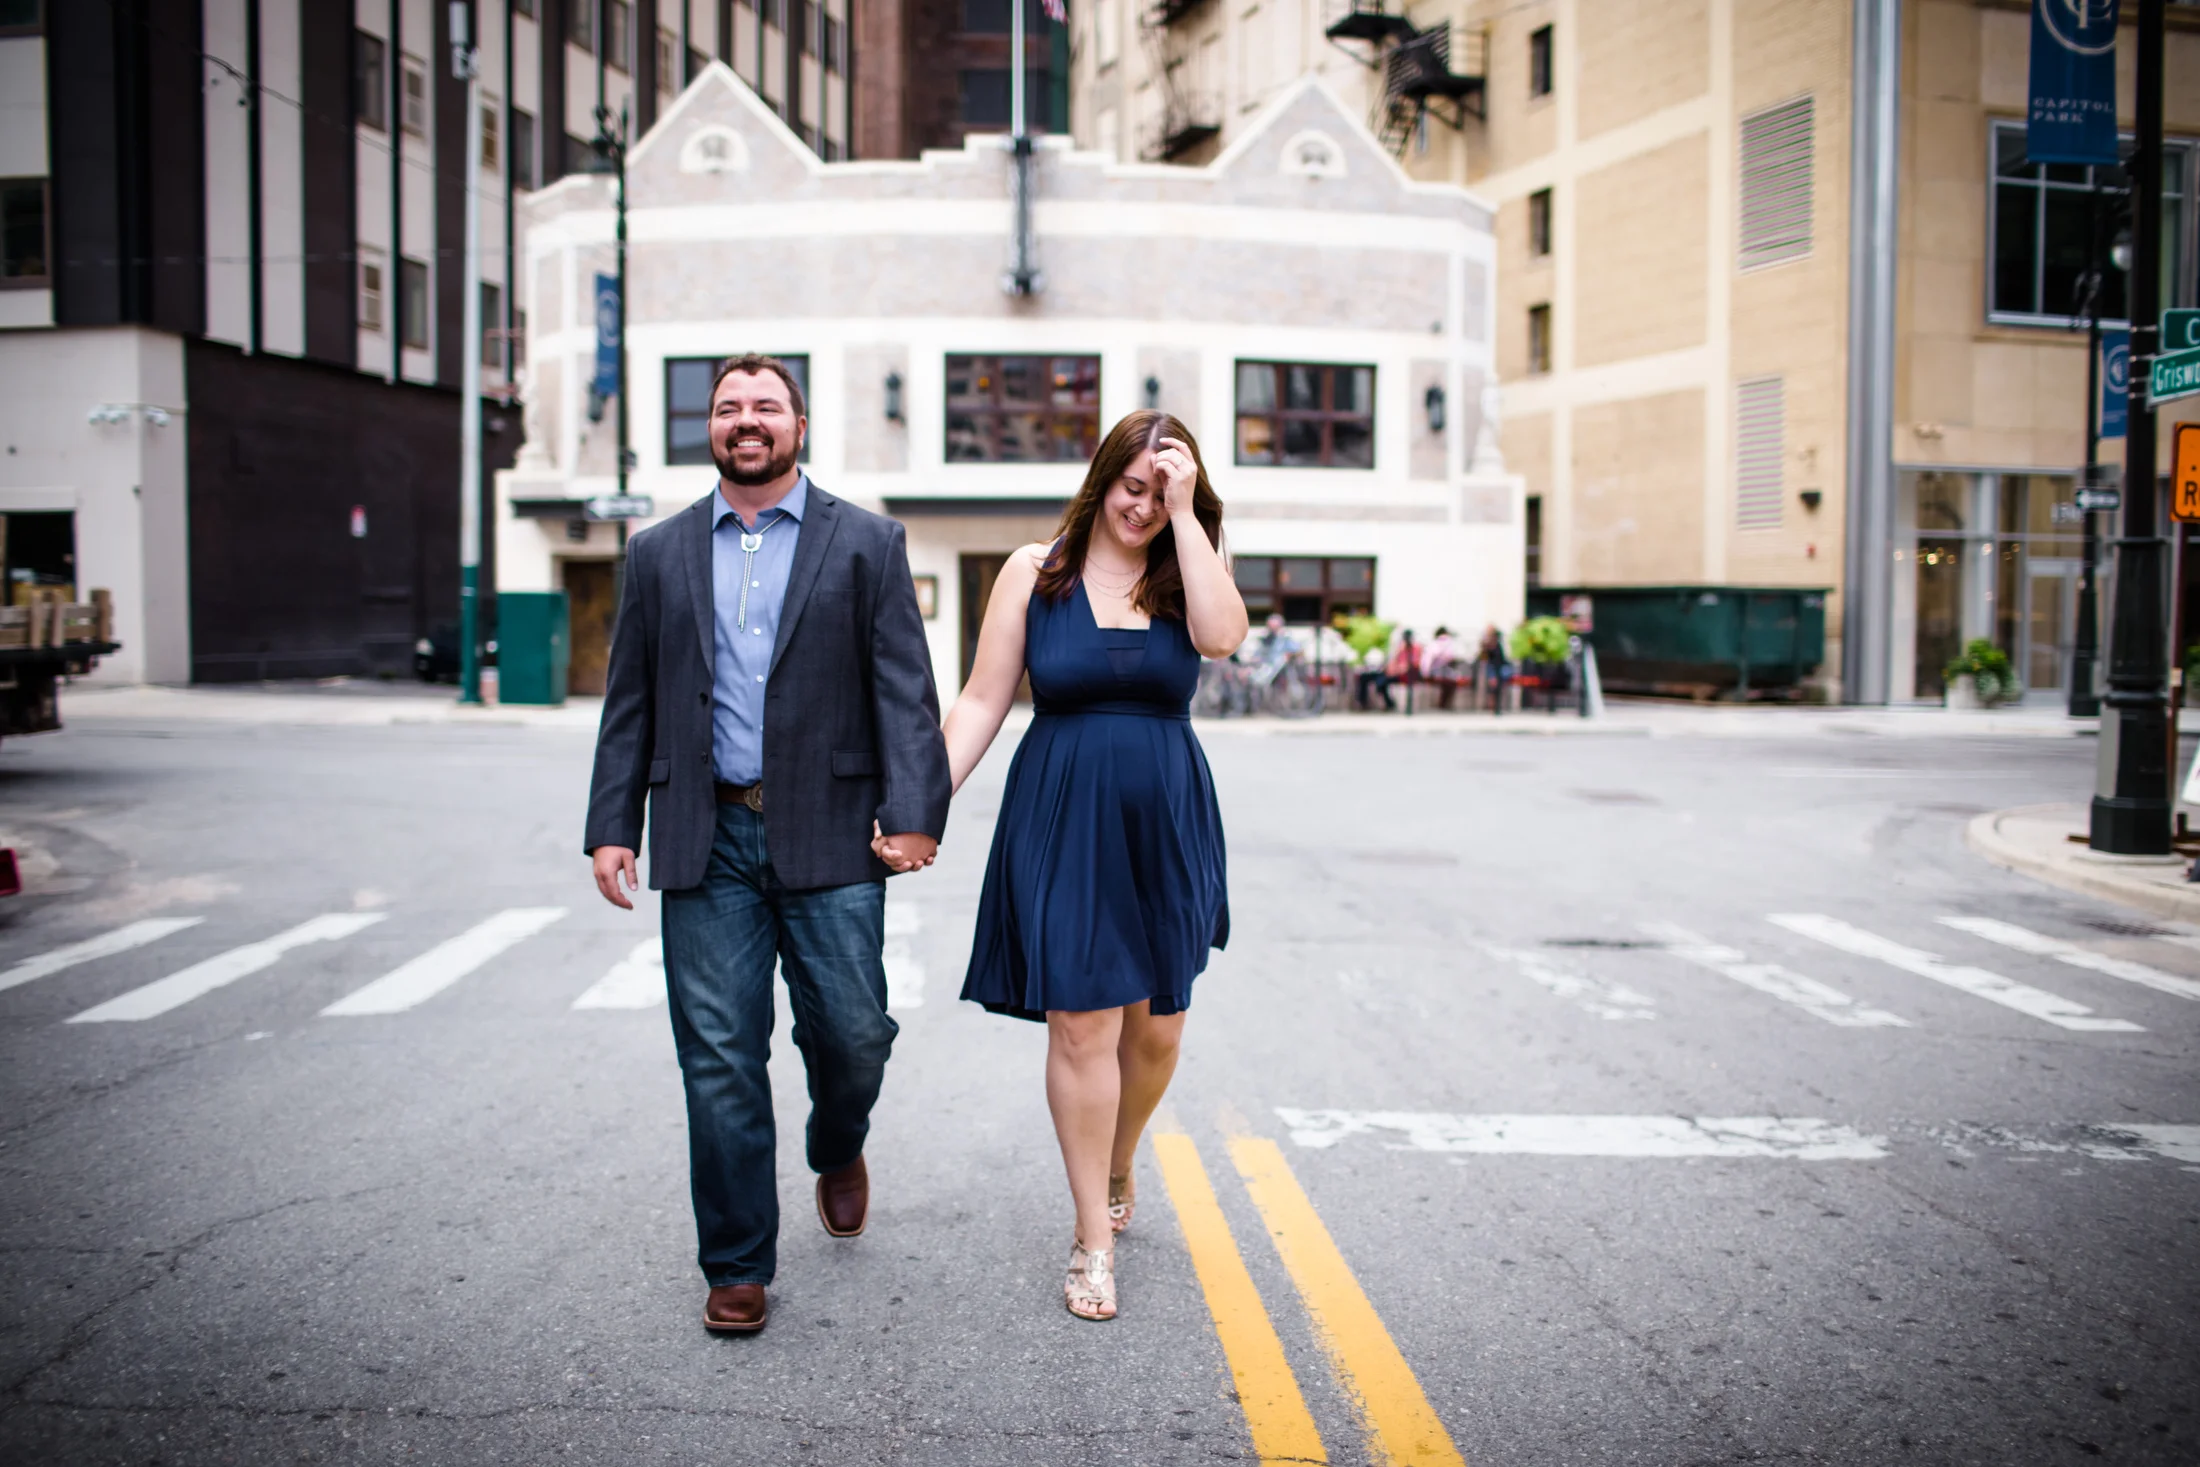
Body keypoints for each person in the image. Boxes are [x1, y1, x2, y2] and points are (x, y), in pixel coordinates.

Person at [584, 353, 950, 1336]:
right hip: (705, 838)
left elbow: (904, 693)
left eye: (765, 406)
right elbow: (631, 703)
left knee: (853, 1034)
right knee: (718, 1058)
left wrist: (915, 809)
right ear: (709, 426)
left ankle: (839, 1142)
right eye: (727, 406)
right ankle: (737, 1263)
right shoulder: (657, 552)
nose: (746, 421)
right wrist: (614, 824)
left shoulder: (866, 542)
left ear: (798, 423)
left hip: (833, 835)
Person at [881, 410, 1245, 1322]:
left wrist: (1191, 514)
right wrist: (920, 803)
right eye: (1133, 489)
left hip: (1164, 814)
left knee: (1157, 1030)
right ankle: (1091, 1235)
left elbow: (1223, 634)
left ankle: (1122, 1154)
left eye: (1160, 495)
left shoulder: (1185, 564)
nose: (1143, 509)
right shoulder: (1032, 573)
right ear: (1101, 480)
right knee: (1081, 1025)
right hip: (1063, 809)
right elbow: (978, 702)